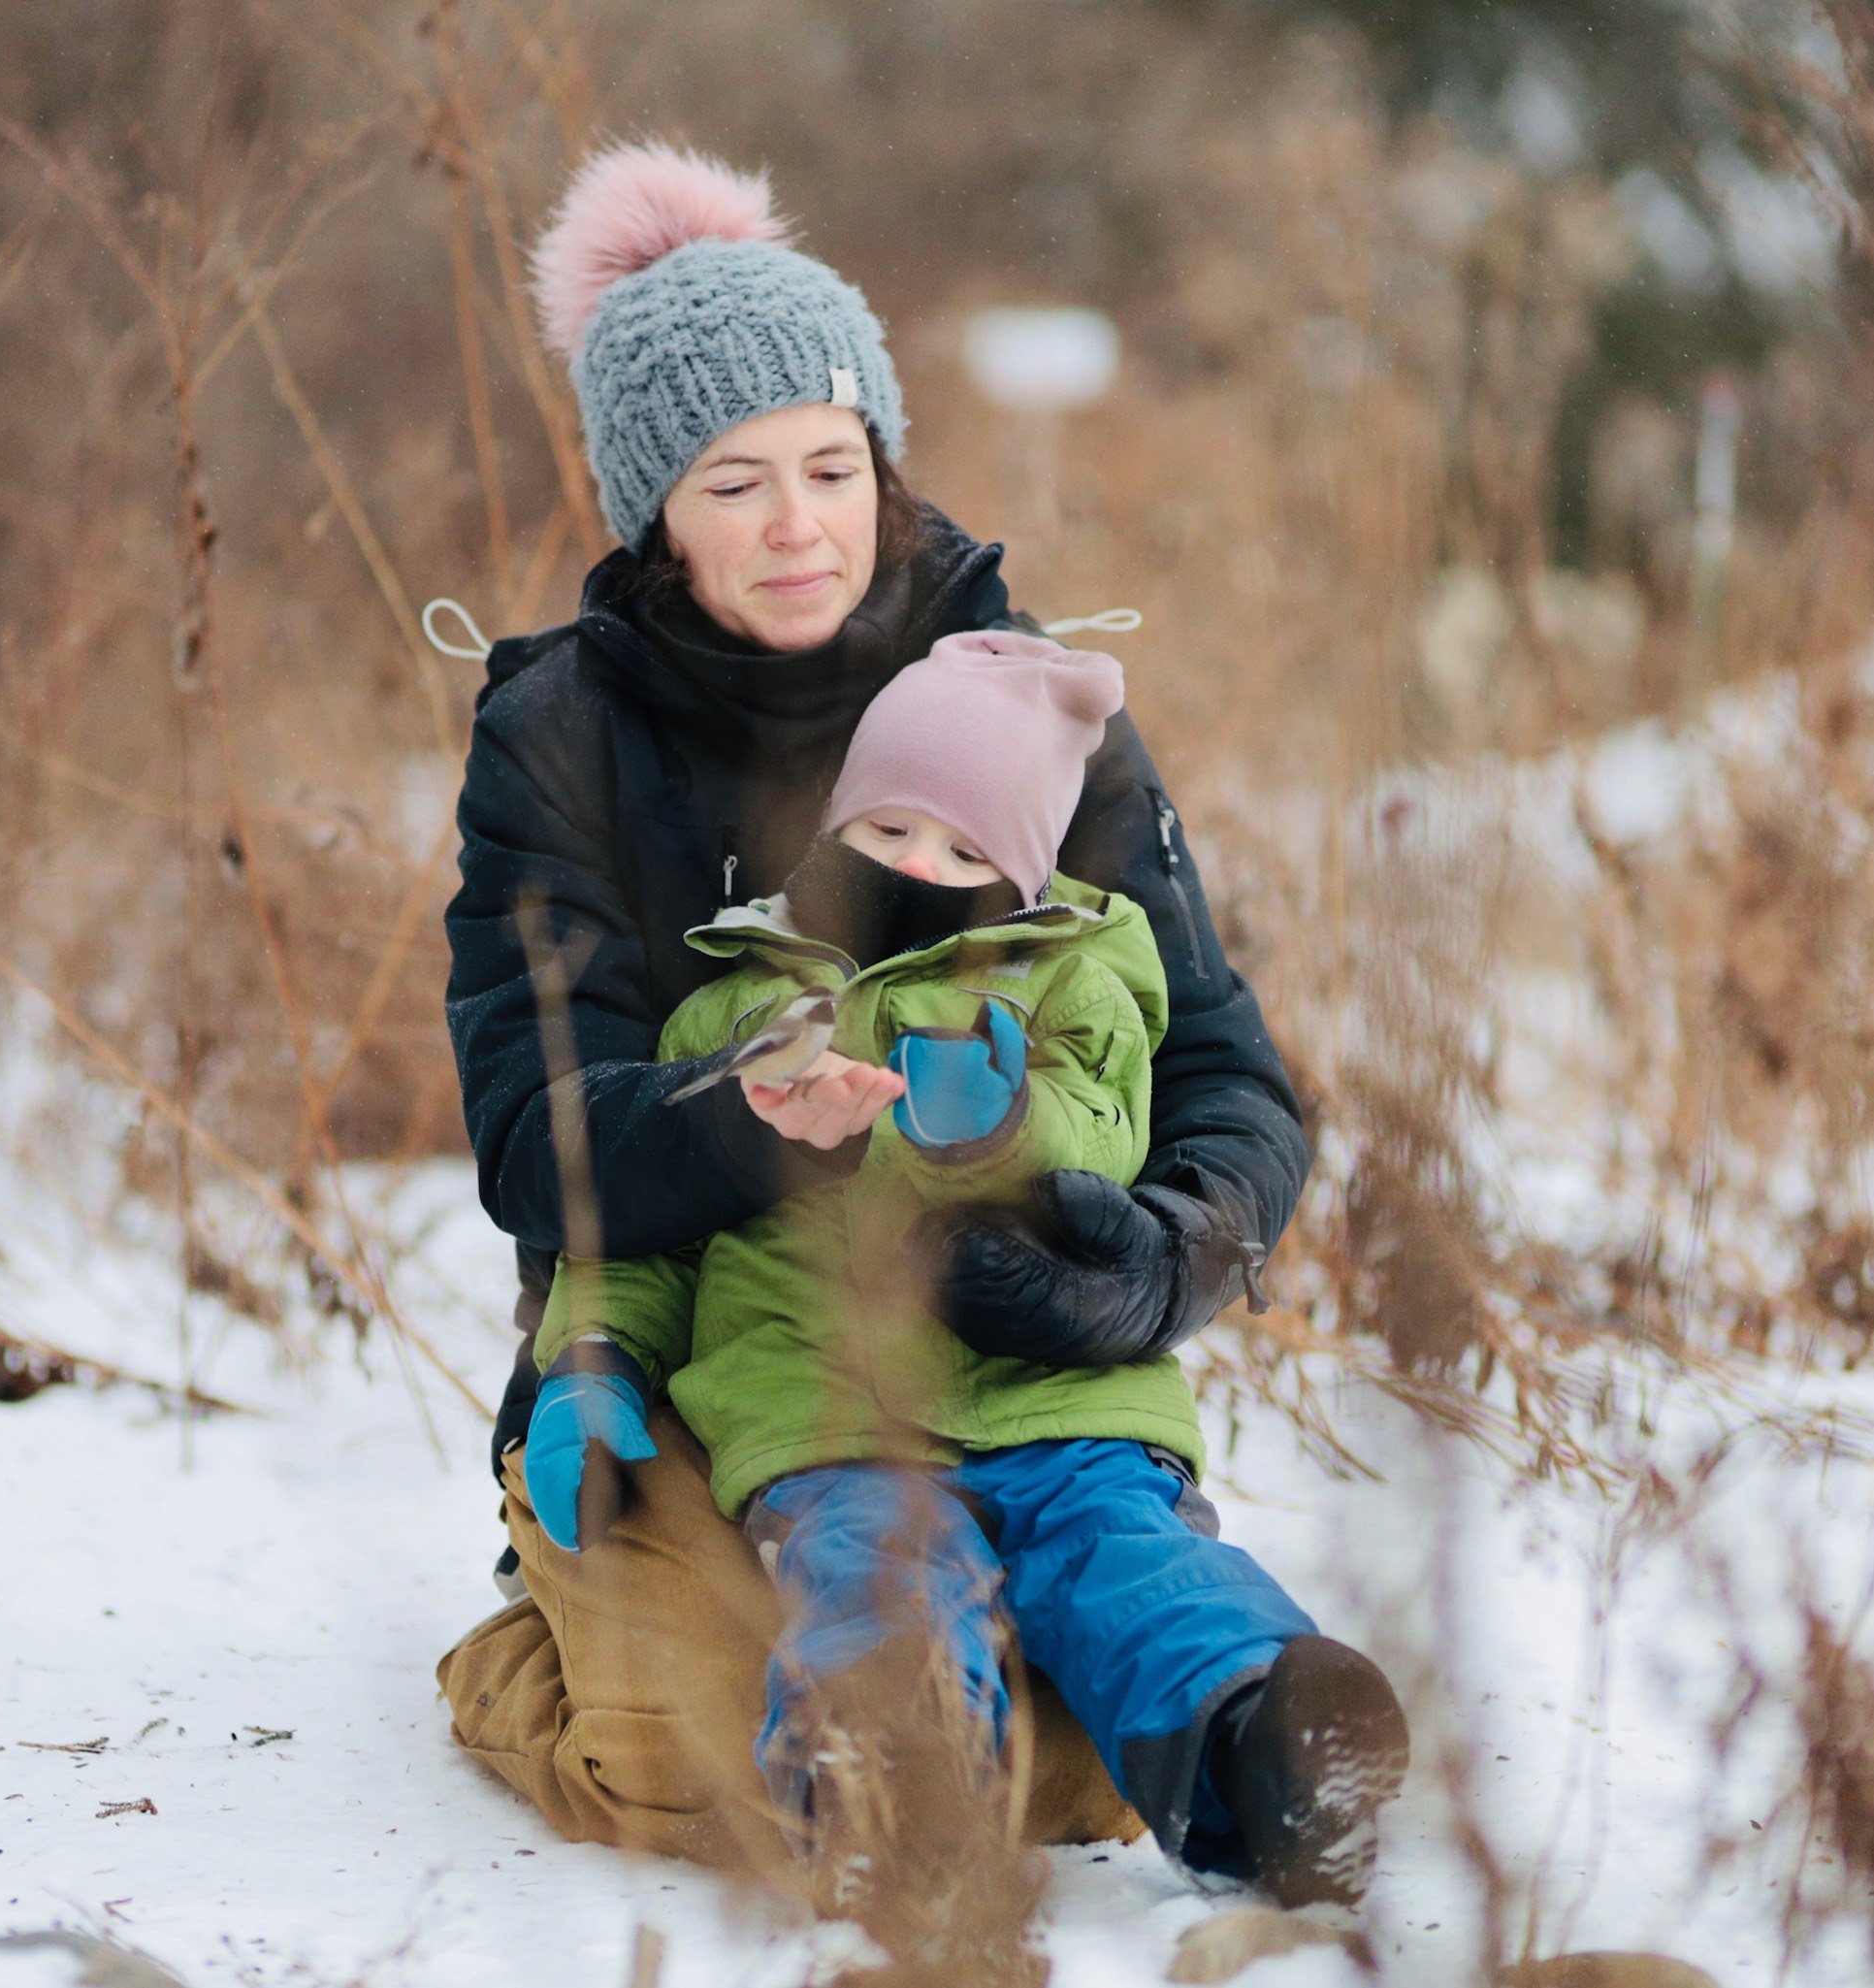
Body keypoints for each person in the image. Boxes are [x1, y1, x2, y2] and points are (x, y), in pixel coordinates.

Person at [434, 140, 1331, 1878]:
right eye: (732, 482)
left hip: (1007, 1352)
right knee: (703, 1763)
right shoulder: (560, 733)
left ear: (881, 459)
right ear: (652, 510)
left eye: (831, 467)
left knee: (1088, 1746)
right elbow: (529, 1137)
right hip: (707, 1351)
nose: (797, 526)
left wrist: (1157, 1252)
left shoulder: (1020, 695)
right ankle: (540, 1628)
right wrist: (741, 1122)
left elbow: (1219, 1061)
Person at [522, 625, 1408, 1906]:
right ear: (835, 826)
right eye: (891, 832)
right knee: (873, 1567)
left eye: (966, 850)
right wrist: (590, 1366)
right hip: (833, 1414)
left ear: (1027, 869)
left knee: (1132, 1569)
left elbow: (1105, 1127)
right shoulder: (734, 1007)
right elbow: (648, 1228)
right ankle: (894, 1779)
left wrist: (991, 1129)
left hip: (1062, 1404)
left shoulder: (1073, 975)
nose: (922, 868)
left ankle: (1268, 1747)